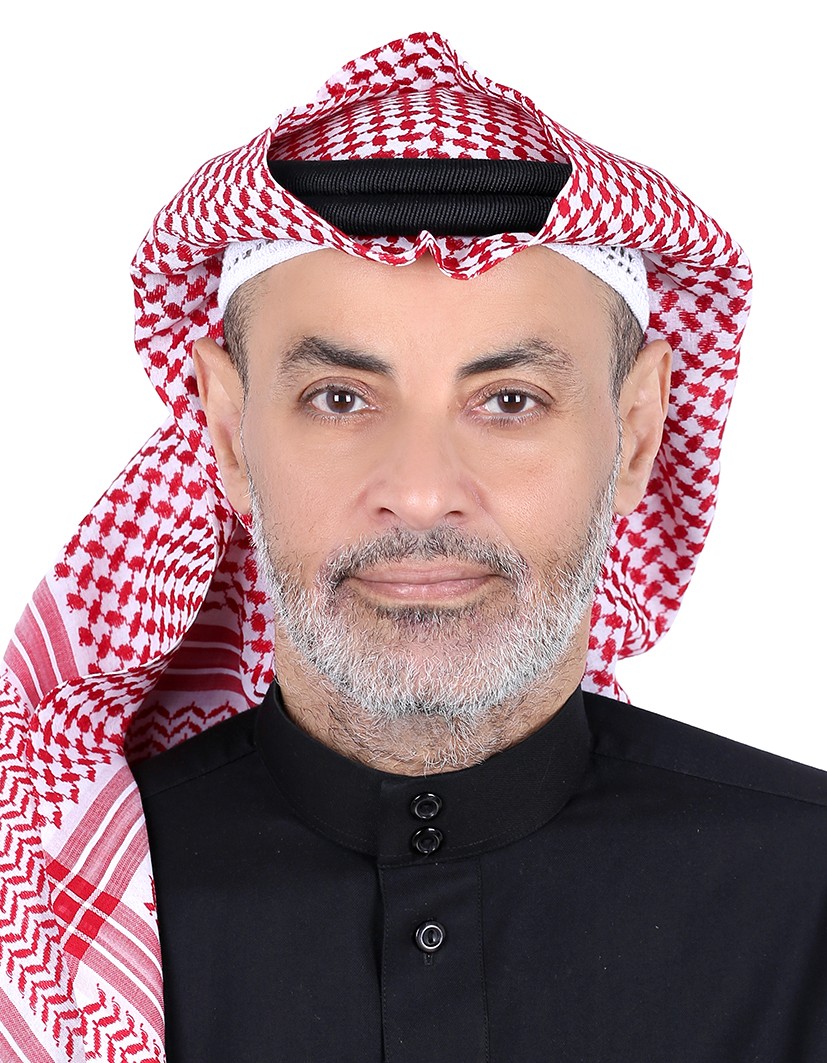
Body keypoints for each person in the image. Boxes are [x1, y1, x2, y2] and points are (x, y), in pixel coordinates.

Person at [1, 30, 825, 1063]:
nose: (422, 491)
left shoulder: (807, 902)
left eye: (509, 400)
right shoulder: (44, 920)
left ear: (635, 433)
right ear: (228, 435)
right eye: (339, 398)